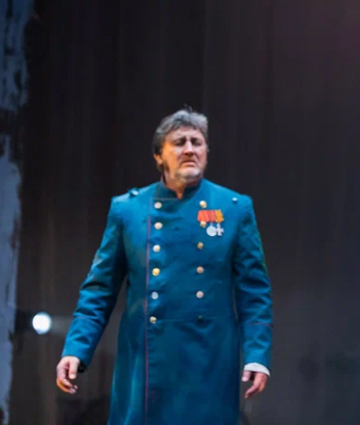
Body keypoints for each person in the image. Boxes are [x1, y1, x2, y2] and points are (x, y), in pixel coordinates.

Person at [56, 108, 273, 424]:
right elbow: (99, 290)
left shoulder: (234, 208)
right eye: (179, 142)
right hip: (145, 361)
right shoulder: (128, 209)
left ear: (206, 152)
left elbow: (254, 292)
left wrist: (257, 356)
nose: (190, 149)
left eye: (197, 142)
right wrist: (76, 349)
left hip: (209, 361)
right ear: (159, 156)